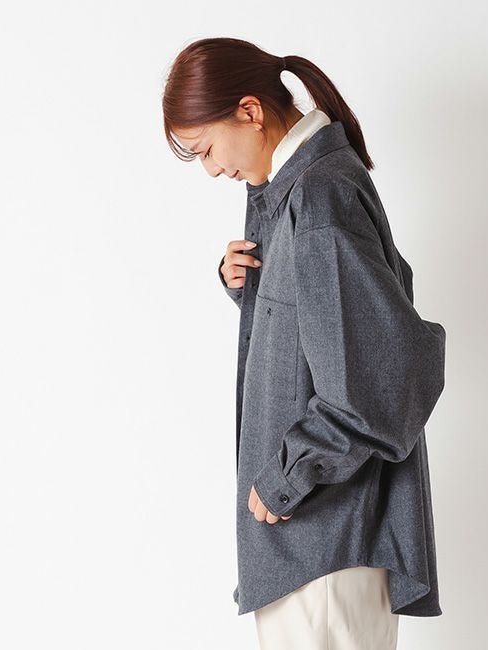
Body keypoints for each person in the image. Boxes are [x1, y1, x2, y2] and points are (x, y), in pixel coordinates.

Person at [162, 37, 447, 650]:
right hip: (316, 543)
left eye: (206, 149)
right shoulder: (300, 192)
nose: (211, 170)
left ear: (249, 110)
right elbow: (342, 330)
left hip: (325, 542)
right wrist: (256, 290)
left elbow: (384, 375)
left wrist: (288, 474)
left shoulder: (318, 196)